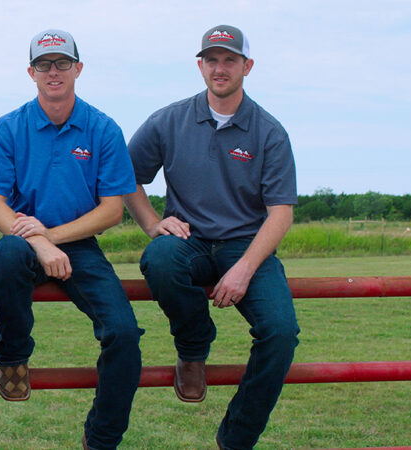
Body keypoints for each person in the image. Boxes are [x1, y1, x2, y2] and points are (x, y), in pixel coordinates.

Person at [125, 25, 300, 449]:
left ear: (247, 66)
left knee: (280, 332)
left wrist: (244, 269)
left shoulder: (268, 131)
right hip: (189, 240)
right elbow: (125, 178)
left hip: (246, 244)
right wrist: (152, 223)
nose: (220, 68)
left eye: (230, 60)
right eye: (212, 59)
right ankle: (193, 347)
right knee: (160, 258)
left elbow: (280, 214)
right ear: (200, 65)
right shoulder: (169, 120)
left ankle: (236, 438)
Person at [0, 29, 143, 450]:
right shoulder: (6, 129)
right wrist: (37, 241)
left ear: (78, 68)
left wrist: (50, 236)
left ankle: (102, 438)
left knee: (124, 333)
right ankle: (14, 354)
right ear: (30, 72)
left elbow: (112, 210)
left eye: (62, 63)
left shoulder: (103, 129)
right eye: (44, 65)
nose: (54, 72)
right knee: (7, 255)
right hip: (22, 242)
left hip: (79, 244)